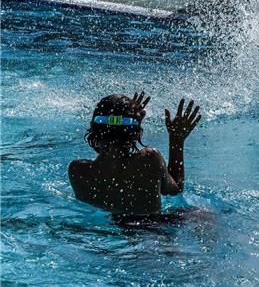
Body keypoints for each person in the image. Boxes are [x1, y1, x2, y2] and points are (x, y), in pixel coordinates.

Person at [69, 92, 202, 216]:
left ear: (94, 130)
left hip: (105, 231)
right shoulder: (149, 159)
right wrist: (176, 140)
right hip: (151, 231)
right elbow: (176, 190)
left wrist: (132, 124)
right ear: (136, 133)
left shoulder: (77, 171)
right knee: (201, 213)